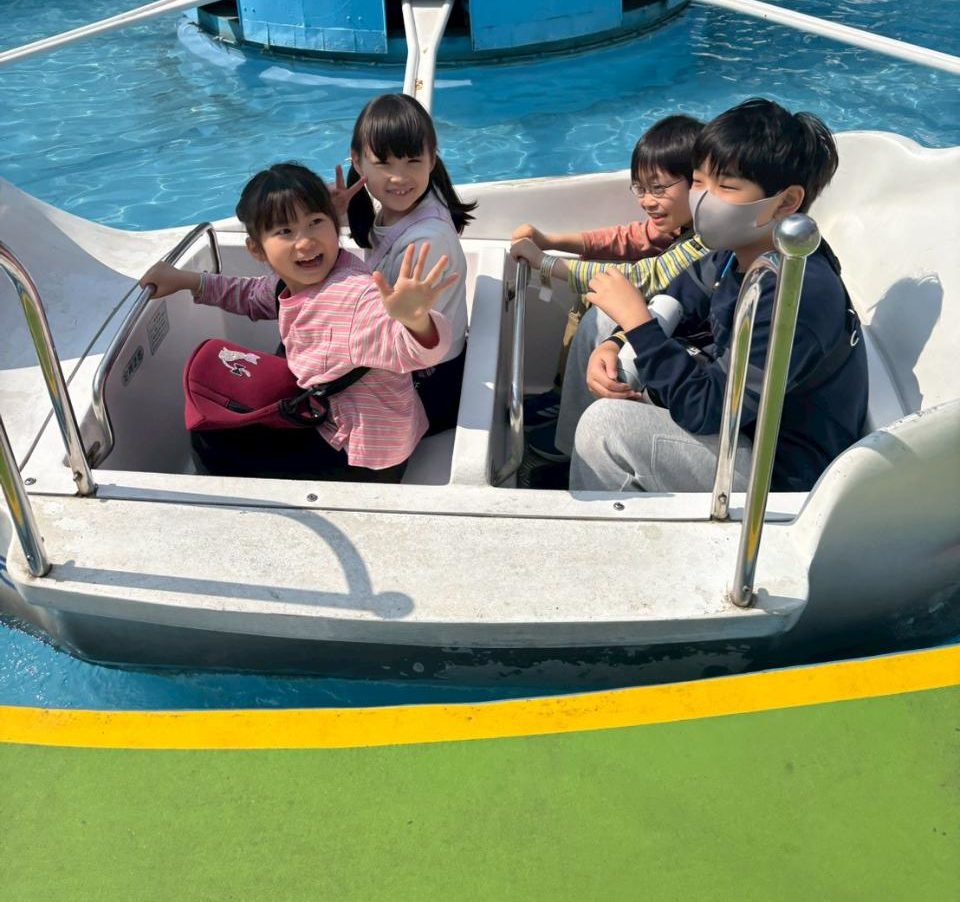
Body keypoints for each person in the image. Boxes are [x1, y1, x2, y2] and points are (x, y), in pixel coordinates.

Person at [570, 98, 868, 494]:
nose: (704, 199)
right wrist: (617, 340)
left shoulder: (794, 297)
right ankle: (563, 462)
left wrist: (639, 325)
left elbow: (708, 410)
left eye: (725, 187)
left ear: (786, 202)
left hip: (776, 469)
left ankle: (589, 498)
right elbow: (680, 296)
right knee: (604, 320)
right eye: (698, 182)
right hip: (738, 420)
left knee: (606, 429)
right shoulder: (739, 247)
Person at [139, 162, 459, 483]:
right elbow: (251, 295)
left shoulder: (353, 297)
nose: (305, 242)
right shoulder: (294, 281)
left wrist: (416, 322)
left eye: (315, 222)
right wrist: (187, 281)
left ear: (335, 226)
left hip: (365, 456)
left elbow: (407, 348)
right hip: (345, 418)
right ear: (257, 249)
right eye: (285, 232)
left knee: (210, 438)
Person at [509, 114, 709, 465]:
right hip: (674, 319)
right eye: (640, 189)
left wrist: (545, 263)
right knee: (592, 301)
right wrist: (551, 240)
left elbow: (644, 276)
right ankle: (566, 404)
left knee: (601, 311)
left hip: (692, 342)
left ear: (697, 182)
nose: (647, 201)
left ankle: (570, 445)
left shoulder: (707, 238)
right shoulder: (682, 221)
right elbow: (628, 238)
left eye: (659, 189)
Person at [345, 93, 477, 433]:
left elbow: (398, 341)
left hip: (429, 385)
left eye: (412, 161)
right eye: (384, 163)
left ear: (432, 160)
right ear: (357, 163)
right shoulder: (406, 206)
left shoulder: (425, 242)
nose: (399, 177)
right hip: (421, 366)